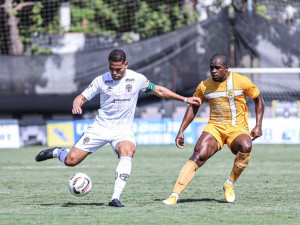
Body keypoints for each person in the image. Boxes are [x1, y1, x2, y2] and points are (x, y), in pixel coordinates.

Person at [35, 49, 201, 207]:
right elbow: (81, 97)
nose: (114, 73)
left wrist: (185, 99)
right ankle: (57, 152)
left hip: (123, 131)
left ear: (126, 64)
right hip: (100, 127)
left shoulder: (137, 79)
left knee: (128, 151)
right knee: (71, 161)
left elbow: (158, 90)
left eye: (118, 69)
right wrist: (77, 105)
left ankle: (115, 197)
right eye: (112, 69)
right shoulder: (101, 80)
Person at [163, 53, 264, 205]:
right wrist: (181, 130)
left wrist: (258, 125)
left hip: (237, 128)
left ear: (226, 68)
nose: (214, 71)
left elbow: (258, 99)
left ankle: (230, 183)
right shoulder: (204, 86)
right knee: (198, 155)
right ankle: (174, 195)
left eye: (217, 68)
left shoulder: (241, 81)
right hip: (215, 127)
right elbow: (193, 106)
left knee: (246, 145)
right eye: (211, 68)